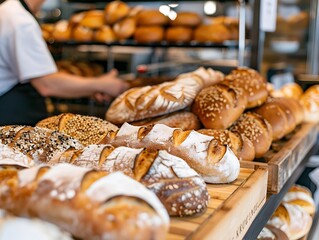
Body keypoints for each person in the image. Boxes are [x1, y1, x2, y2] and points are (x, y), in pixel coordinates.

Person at [0, 0, 129, 125]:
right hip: (9, 116)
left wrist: (92, 87)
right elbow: (46, 84)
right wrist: (102, 85)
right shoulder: (19, 20)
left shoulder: (9, 11)